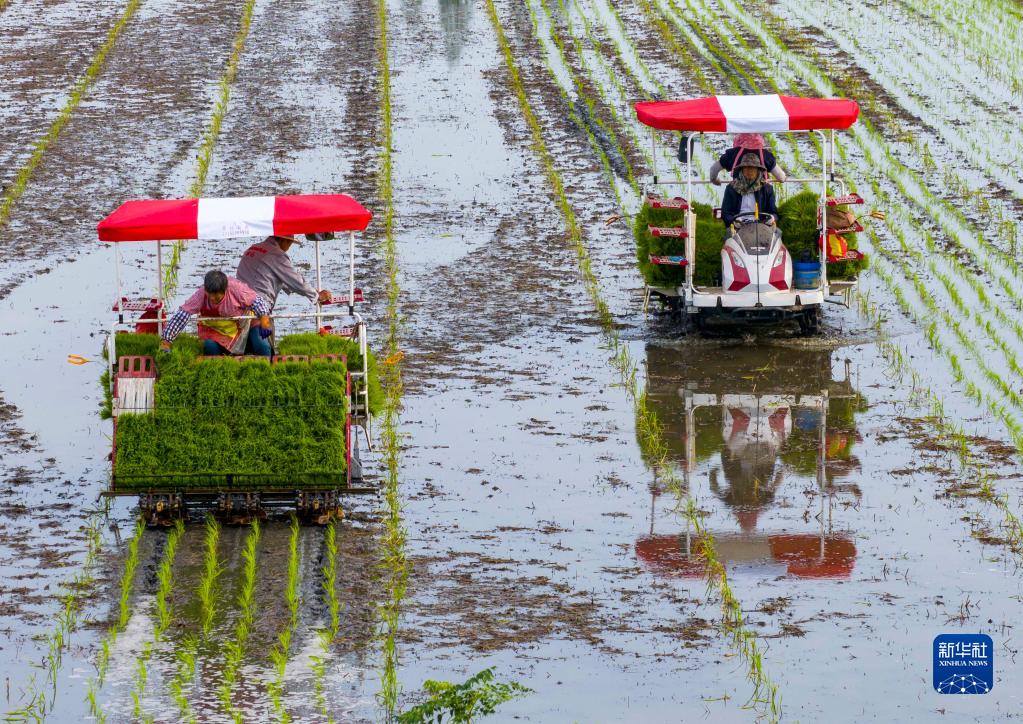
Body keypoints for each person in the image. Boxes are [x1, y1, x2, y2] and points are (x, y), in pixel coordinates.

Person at [159, 270, 273, 356]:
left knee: (262, 345)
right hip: (215, 330)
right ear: (206, 290)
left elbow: (258, 301)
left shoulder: (236, 288)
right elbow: (182, 315)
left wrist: (264, 319)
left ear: (225, 290)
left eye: (217, 295)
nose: (213, 298)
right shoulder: (201, 295)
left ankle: (268, 371)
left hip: (244, 324)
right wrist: (166, 340)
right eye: (210, 294)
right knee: (209, 347)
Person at [236, 234, 331, 311]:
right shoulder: (276, 254)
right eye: (289, 244)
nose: (287, 249)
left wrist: (311, 291)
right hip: (258, 307)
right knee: (263, 332)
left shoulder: (253, 248)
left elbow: (283, 280)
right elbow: (296, 281)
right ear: (284, 240)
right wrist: (317, 296)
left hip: (239, 302)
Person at [720, 153, 780, 227]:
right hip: (738, 226)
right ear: (742, 170)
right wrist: (734, 221)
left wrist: (772, 218)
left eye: (753, 168)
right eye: (746, 167)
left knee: (777, 234)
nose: (750, 171)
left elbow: (774, 212)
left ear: (758, 170)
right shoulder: (732, 188)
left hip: (761, 226)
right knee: (729, 237)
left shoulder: (767, 189)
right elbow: (725, 213)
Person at [709, 133, 787, 186]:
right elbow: (781, 177)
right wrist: (784, 178)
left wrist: (715, 180)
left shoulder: (732, 154)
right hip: (761, 195)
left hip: (737, 194)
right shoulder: (765, 155)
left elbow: (713, 169)